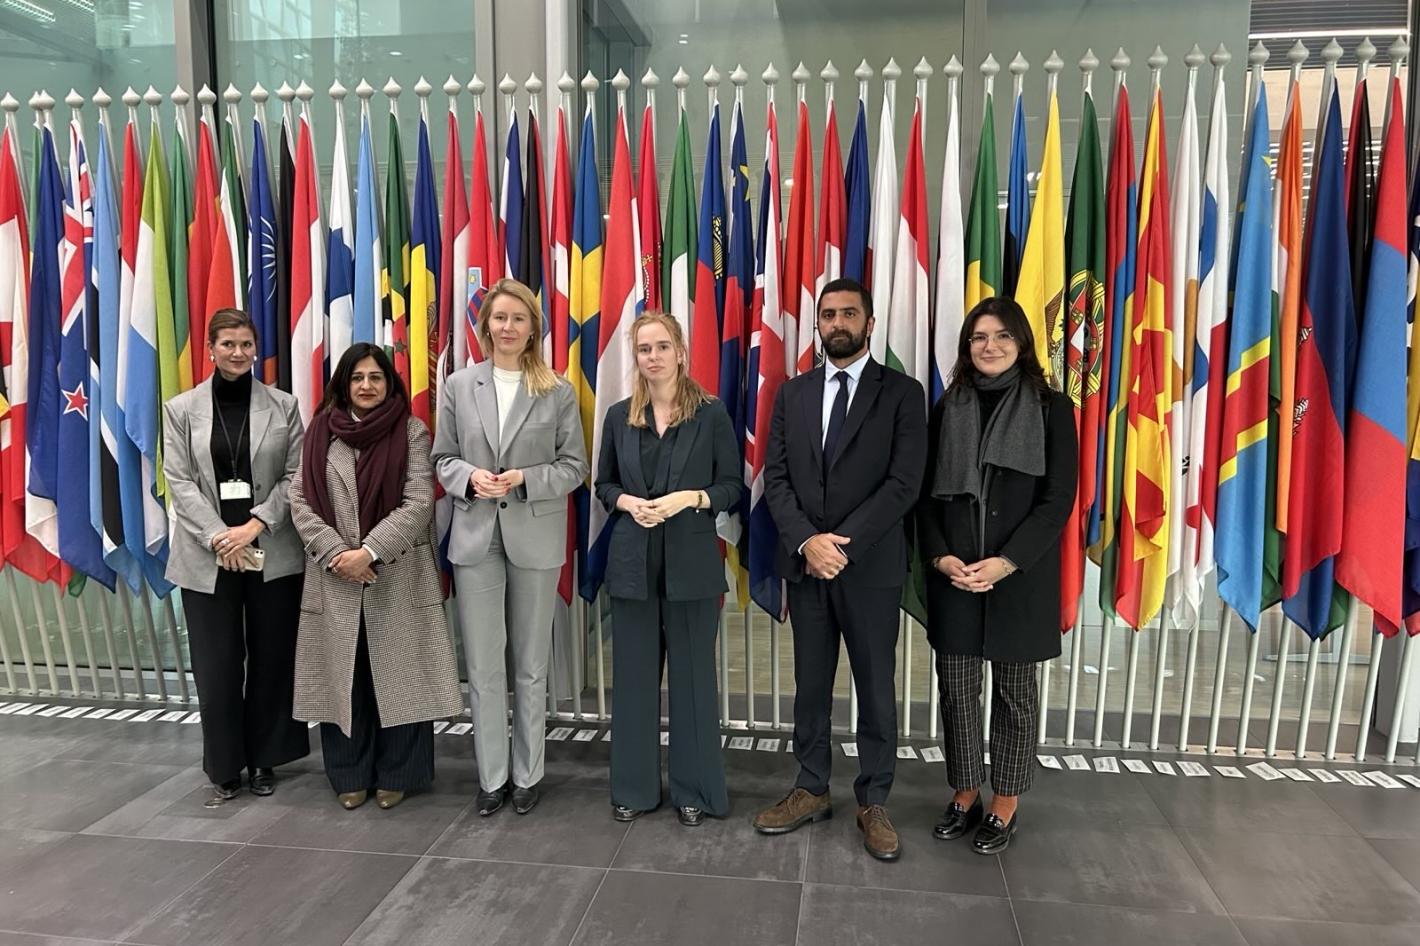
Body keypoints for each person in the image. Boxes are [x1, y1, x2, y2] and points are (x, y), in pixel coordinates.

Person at [755, 277, 927, 861]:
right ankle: (810, 787)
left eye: (849, 314)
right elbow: (777, 478)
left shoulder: (902, 393)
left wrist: (842, 547)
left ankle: (873, 801)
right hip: (808, 566)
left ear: (870, 324)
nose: (837, 323)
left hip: (870, 568)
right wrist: (808, 541)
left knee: (875, 687)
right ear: (819, 323)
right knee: (810, 685)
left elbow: (904, 483)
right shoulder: (793, 393)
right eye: (828, 314)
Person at [917, 297, 1076, 855]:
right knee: (957, 693)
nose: (990, 346)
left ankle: (1005, 800)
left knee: (1014, 696)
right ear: (967, 347)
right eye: (980, 337)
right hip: (956, 576)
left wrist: (1007, 562)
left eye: (1003, 336)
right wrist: (939, 557)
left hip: (1019, 578)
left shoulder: (1052, 408)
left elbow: (1058, 499)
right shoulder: (948, 407)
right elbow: (924, 495)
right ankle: (964, 792)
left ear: (1022, 343)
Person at [432, 278, 588, 817]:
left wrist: (525, 478)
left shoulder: (557, 389)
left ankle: (527, 774)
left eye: (518, 318)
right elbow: (442, 459)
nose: (508, 327)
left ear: (532, 328)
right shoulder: (458, 386)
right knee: (483, 665)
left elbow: (575, 467)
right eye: (499, 317)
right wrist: (470, 477)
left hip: (534, 537)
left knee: (530, 662)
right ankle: (492, 777)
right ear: (485, 326)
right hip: (476, 537)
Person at [289, 343, 464, 811]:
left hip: (397, 572)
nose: (366, 386)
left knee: (400, 676)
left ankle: (399, 773)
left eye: (376, 377)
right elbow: (299, 500)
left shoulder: (411, 431)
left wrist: (368, 552)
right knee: (345, 677)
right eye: (357, 377)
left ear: (390, 383)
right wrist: (338, 554)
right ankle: (348, 773)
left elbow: (419, 501)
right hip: (334, 575)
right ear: (343, 384)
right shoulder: (319, 431)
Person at [594, 312, 743, 826]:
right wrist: (626, 503)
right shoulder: (619, 416)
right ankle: (633, 789)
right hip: (632, 564)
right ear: (635, 357)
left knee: (693, 682)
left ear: (680, 351)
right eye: (643, 349)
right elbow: (604, 484)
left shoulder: (712, 414)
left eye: (661, 346)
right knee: (633, 682)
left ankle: (694, 790)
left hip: (691, 563)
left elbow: (732, 486)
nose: (653, 356)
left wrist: (690, 498)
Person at [162, 308, 310, 804]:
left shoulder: (284, 406)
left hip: (270, 547)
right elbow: (178, 480)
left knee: (271, 659)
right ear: (210, 349)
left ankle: (265, 757)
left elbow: (296, 475)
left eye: (246, 344)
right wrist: (220, 537)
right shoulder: (181, 409)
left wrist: (253, 526)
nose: (238, 353)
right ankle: (225, 764)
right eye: (228, 343)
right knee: (218, 666)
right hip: (206, 555)